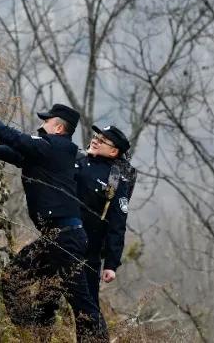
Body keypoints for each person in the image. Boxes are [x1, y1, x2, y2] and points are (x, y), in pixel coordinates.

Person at [0, 96, 108, 343]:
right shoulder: (53, 151)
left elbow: (18, 139)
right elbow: (23, 155)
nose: (41, 126)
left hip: (65, 239)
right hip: (56, 238)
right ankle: (32, 333)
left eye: (46, 122)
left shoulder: (56, 146)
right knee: (13, 277)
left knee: (82, 305)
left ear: (58, 128)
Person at [76, 123, 135, 308]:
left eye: (102, 141)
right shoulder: (77, 159)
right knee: (46, 298)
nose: (95, 141)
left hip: (89, 252)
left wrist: (111, 263)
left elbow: (118, 224)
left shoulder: (116, 180)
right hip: (60, 242)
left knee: (88, 307)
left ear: (113, 152)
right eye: (96, 137)